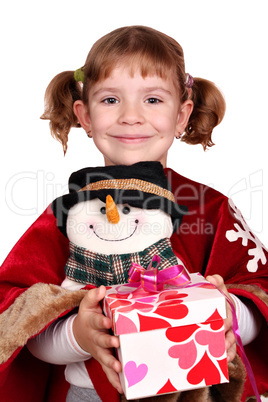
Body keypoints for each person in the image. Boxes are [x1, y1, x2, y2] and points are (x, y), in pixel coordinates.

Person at [0, 25, 267, 402]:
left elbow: (261, 291)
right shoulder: (67, 218)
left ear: (181, 115)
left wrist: (229, 315)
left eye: (153, 100)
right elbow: (19, 321)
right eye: (110, 100)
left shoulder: (212, 208)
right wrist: (79, 335)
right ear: (85, 116)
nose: (131, 116)